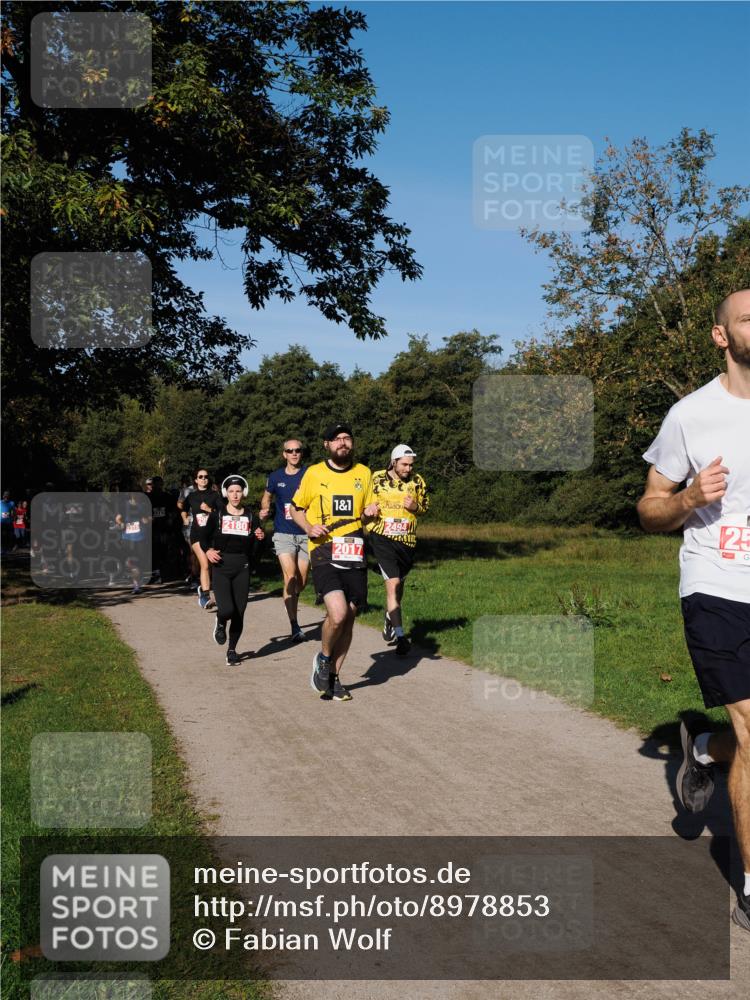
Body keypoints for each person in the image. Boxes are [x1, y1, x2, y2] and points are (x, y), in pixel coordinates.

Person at [637, 288, 750, 932]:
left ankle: (704, 747)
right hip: (717, 585)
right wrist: (686, 500)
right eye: (747, 316)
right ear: (720, 336)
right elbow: (649, 507)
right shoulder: (691, 415)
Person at [290, 422, 376, 702]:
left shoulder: (364, 473)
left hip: (354, 551)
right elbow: (296, 507)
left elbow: (366, 516)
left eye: (347, 438)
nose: (343, 442)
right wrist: (309, 527)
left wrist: (371, 513)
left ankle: (335, 678)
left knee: (349, 618)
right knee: (337, 613)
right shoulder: (314, 473)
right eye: (336, 439)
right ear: (326, 444)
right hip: (325, 551)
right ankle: (324, 658)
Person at [366, 444, 430, 655]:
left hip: (407, 542)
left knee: (399, 585)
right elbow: (364, 504)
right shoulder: (376, 479)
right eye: (404, 464)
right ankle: (401, 637)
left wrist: (415, 508)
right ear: (393, 462)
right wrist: (368, 511)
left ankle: (389, 616)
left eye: (411, 465)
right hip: (382, 538)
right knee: (392, 584)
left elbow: (425, 507)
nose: (408, 469)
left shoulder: (417, 481)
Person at [202, 475, 264, 666]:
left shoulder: (251, 516)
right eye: (231, 491)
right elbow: (202, 538)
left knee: (239, 611)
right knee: (227, 609)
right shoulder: (217, 515)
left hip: (242, 566)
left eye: (238, 491)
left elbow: (256, 548)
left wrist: (260, 537)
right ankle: (220, 621)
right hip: (221, 566)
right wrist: (208, 550)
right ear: (225, 493)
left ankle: (232, 650)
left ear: (243, 493)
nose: (235, 495)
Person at [259, 439, 310, 641]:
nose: (294, 454)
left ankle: (294, 598)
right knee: (289, 577)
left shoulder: (309, 474)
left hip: (306, 532)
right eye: (290, 451)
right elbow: (267, 496)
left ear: (301, 453)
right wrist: (264, 509)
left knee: (301, 581)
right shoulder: (275, 476)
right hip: (283, 533)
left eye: (297, 450)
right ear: (284, 454)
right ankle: (294, 625)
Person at [180, 469, 222, 609]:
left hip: (212, 535)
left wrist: (210, 510)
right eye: (200, 477)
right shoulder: (192, 496)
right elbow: (183, 507)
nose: (203, 479)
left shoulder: (215, 495)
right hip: (197, 534)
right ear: (196, 480)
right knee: (204, 564)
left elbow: (223, 513)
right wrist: (185, 518)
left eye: (206, 477)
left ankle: (205, 591)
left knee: (212, 565)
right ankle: (205, 597)